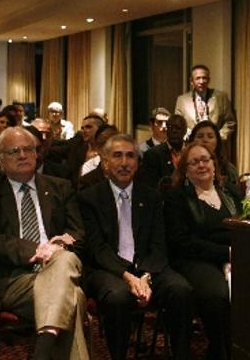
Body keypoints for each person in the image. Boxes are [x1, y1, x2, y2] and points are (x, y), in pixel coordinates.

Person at [0, 127, 89, 360]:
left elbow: (78, 233)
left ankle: (43, 348)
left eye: (28, 149)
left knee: (64, 259)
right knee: (74, 299)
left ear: (37, 154)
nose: (23, 155)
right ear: (1, 160)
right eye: (14, 151)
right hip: (13, 277)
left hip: (59, 268)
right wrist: (38, 250)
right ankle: (44, 348)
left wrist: (59, 249)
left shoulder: (60, 187)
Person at [79, 133, 193, 360]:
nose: (124, 163)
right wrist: (129, 277)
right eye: (117, 156)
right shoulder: (89, 198)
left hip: (148, 268)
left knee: (181, 290)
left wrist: (146, 277)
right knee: (118, 297)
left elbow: (159, 245)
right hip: (108, 269)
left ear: (138, 163)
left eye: (130, 156)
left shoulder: (152, 197)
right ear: (105, 163)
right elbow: (97, 248)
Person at [164, 142, 237, 360]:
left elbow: (244, 227)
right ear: (185, 170)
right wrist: (227, 254)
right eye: (194, 162)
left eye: (205, 160)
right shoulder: (177, 198)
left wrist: (235, 255)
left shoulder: (231, 193)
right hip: (194, 260)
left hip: (233, 256)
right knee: (218, 295)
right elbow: (182, 242)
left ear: (214, 164)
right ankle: (220, 352)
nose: (201, 165)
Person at [174, 64, 236, 141]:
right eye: (198, 78)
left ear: (209, 80)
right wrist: (189, 136)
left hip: (215, 147)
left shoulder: (221, 97)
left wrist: (217, 137)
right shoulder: (182, 100)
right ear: (191, 81)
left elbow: (230, 122)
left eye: (204, 78)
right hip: (191, 145)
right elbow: (177, 124)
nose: (201, 81)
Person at [187, 120, 240, 199]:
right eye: (200, 136)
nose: (205, 140)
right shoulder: (185, 166)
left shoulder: (229, 169)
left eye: (210, 136)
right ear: (192, 140)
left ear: (217, 141)